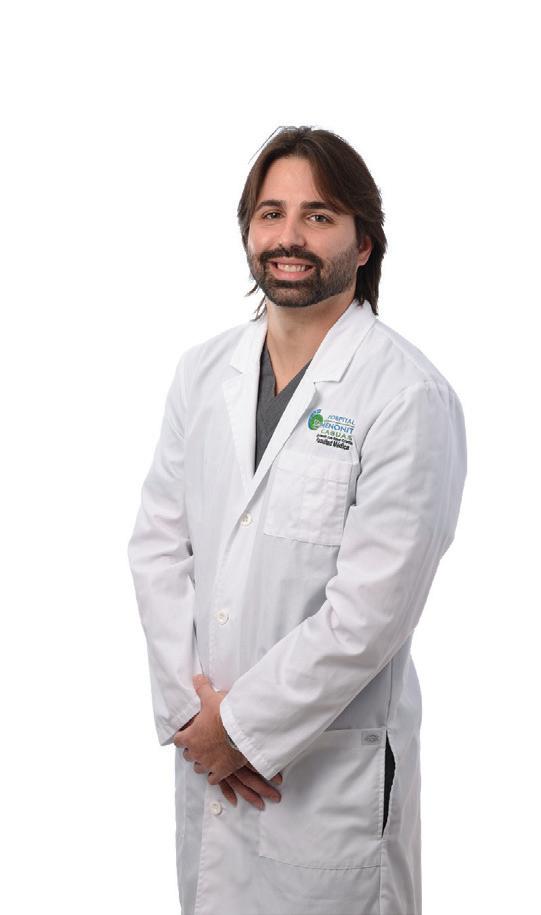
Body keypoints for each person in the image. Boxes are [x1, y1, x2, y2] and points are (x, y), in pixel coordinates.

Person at [127, 125, 467, 915]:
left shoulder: (406, 394)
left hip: (324, 777)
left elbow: (371, 612)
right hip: (209, 758)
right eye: (271, 213)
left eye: (319, 216)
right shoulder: (202, 373)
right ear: (248, 231)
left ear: (363, 242)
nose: (290, 237)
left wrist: (243, 728)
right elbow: (157, 546)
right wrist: (193, 716)